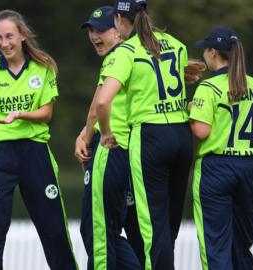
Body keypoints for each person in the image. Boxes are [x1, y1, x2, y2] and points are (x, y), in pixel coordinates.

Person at [0, 9, 78, 270]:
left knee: (54, 229)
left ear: (23, 35)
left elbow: (46, 114)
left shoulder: (43, 67)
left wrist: (20, 114)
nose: (4, 43)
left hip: (35, 153)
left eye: (9, 36)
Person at [91, 0, 194, 269]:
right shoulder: (175, 42)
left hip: (150, 136)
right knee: (170, 224)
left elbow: (103, 102)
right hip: (182, 135)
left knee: (152, 227)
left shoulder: (126, 51)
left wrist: (105, 133)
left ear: (118, 20)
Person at [190, 27, 253, 270]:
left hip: (216, 168)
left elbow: (202, 131)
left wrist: (191, 111)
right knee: (242, 244)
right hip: (248, 167)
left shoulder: (208, 87)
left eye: (205, 51)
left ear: (213, 52)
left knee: (216, 244)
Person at [76, 6, 140, 270]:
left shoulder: (120, 56)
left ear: (119, 29)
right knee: (111, 231)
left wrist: (91, 135)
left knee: (97, 232)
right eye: (91, 30)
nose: (94, 36)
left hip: (112, 147)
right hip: (134, 151)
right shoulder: (141, 53)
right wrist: (84, 132)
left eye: (101, 29)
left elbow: (100, 104)